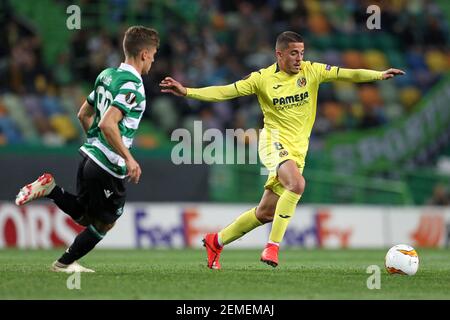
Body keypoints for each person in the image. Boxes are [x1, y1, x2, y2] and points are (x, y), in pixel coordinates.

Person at [160, 31, 404, 269]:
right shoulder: (262, 79)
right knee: (297, 185)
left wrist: (379, 75)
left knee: (265, 213)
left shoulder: (312, 71)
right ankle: (272, 247)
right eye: (293, 53)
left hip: (298, 152)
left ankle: (216, 241)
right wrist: (187, 91)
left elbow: (347, 74)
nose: (299, 58)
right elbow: (226, 91)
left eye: (301, 53)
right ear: (279, 54)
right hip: (272, 142)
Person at [15, 26, 160, 273]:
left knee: (84, 216)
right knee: (105, 223)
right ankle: (63, 264)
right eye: (154, 54)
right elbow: (107, 123)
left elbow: (83, 114)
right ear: (145, 53)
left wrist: (95, 145)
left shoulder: (107, 76)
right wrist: (129, 159)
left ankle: (50, 189)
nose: (154, 59)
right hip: (108, 165)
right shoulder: (133, 86)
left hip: (89, 157)